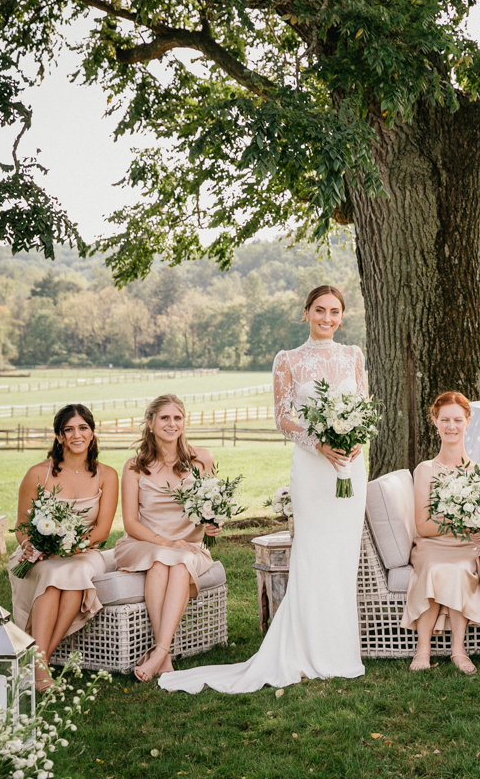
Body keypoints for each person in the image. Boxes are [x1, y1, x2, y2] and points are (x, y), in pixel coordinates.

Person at [161, 285, 369, 693]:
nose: (327, 318)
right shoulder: (288, 360)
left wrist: (355, 440)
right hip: (312, 467)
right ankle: (304, 649)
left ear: (342, 316)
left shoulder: (354, 355)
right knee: (313, 553)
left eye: (334, 312)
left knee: (343, 557)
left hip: (349, 466)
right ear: (306, 312)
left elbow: (361, 406)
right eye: (320, 310)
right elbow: (283, 418)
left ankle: (340, 651)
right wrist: (319, 442)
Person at [9, 404, 118, 689]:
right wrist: (30, 546)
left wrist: (68, 547)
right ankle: (40, 668)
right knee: (54, 575)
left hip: (85, 552)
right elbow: (21, 526)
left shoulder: (107, 475)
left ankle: (37, 662)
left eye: (83, 428)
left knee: (70, 572)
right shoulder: (37, 474)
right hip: (41, 554)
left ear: (92, 433)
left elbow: (102, 531)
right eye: (69, 430)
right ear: (59, 437)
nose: (76, 435)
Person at [114, 394, 220, 682]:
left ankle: (160, 652)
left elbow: (212, 508)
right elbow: (130, 523)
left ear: (184, 423)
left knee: (174, 562)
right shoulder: (134, 466)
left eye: (177, 418)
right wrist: (167, 543)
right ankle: (164, 653)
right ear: (150, 423)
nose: (172, 424)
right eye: (164, 418)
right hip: (144, 543)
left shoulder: (202, 460)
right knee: (168, 558)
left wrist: (213, 524)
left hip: (189, 545)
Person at [403, 392, 480, 675]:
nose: (451, 426)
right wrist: (463, 522)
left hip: (467, 548)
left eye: (457, 420)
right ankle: (423, 649)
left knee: (460, 569)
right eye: (444, 420)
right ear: (435, 422)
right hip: (433, 544)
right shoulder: (426, 469)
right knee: (435, 567)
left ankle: (458, 650)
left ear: (468, 422)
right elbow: (423, 526)